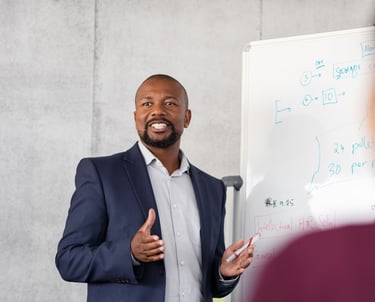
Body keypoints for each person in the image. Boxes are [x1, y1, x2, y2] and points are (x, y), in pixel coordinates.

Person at [56, 74, 253, 302]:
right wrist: (129, 253)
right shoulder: (102, 174)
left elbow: (209, 283)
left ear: (187, 117)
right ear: (136, 116)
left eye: (170, 103)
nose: (157, 111)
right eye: (147, 103)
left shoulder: (212, 189)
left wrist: (223, 273)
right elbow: (68, 260)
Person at [251, 81, 375, 302]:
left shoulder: (304, 204)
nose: (328, 155)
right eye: (319, 146)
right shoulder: (268, 204)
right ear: (295, 150)